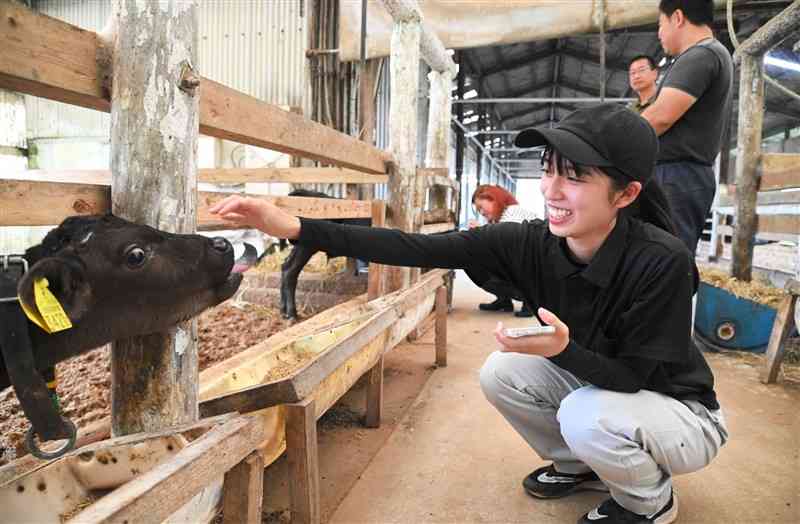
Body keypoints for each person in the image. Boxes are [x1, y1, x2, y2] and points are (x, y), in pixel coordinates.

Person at [210, 104, 728, 524]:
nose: (551, 190)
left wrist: (565, 351)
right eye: (548, 170)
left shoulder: (661, 262)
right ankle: (582, 468)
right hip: (610, 393)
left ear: (627, 193)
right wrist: (296, 226)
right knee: (502, 371)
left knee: (583, 412)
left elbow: (633, 376)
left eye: (575, 178)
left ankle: (649, 502)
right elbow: (414, 247)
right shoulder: (531, 242)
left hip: (676, 412)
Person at [641, 0, 733, 255]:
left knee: (664, 260)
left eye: (661, 24)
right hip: (677, 174)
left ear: (678, 17)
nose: (659, 33)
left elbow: (661, 116)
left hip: (677, 176)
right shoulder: (705, 54)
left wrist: (612, 140)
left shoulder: (701, 54)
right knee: (658, 256)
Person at [469, 184, 540, 317]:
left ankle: (530, 301)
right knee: (474, 260)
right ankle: (504, 300)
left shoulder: (513, 212)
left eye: (481, 207)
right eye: (478, 211)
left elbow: (509, 244)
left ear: (493, 199)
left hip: (535, 271)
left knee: (482, 260)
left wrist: (482, 232)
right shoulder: (502, 216)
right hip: (529, 267)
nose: (482, 213)